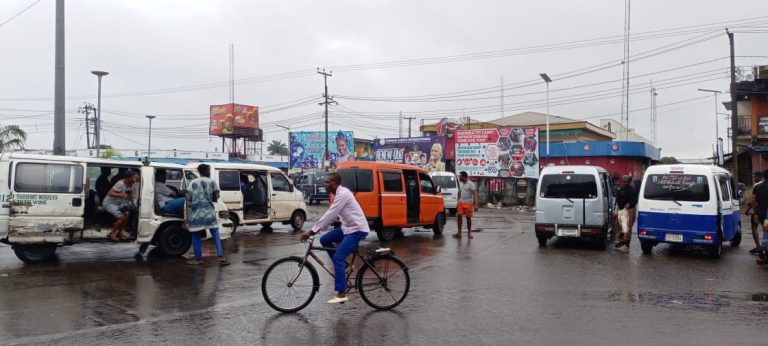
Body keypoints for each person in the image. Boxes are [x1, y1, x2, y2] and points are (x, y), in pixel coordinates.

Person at [300, 172, 369, 304]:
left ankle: (342, 293)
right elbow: (334, 215)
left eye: (327, 182)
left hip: (357, 229)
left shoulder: (342, 194)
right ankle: (346, 266)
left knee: (338, 257)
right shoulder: (337, 193)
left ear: (335, 184)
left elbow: (331, 214)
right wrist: (321, 227)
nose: (325, 185)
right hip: (347, 227)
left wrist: (311, 231)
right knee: (325, 240)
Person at [186, 164, 229, 266]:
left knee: (196, 235)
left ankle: (198, 259)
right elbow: (216, 197)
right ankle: (221, 257)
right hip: (209, 212)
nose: (209, 171)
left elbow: (189, 198)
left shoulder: (192, 183)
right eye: (208, 170)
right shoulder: (212, 182)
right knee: (215, 234)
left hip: (196, 214)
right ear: (206, 171)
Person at [102, 169, 139, 241]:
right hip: (109, 203)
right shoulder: (120, 183)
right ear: (128, 178)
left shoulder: (131, 183)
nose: (135, 179)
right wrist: (122, 195)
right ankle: (112, 233)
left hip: (119, 203)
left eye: (135, 177)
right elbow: (110, 193)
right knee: (122, 217)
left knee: (127, 215)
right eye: (133, 177)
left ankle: (120, 232)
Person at [614, 175, 637, 251]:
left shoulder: (632, 190)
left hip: (629, 210)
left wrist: (629, 204)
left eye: (625, 180)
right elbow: (617, 198)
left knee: (627, 228)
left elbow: (635, 200)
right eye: (623, 180)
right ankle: (623, 240)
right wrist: (617, 207)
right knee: (622, 227)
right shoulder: (621, 189)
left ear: (629, 181)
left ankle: (627, 246)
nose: (624, 182)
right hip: (622, 210)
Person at [453, 171, 477, 239]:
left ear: (464, 176)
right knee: (459, 217)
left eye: (460, 176)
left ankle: (469, 233)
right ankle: (459, 233)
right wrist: (458, 201)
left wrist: (475, 205)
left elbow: (475, 194)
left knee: (468, 218)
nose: (459, 177)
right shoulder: (461, 183)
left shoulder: (471, 184)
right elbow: (459, 192)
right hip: (461, 202)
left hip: (469, 203)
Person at [747, 171, 764, 255]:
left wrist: (749, 210)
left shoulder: (756, 186)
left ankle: (758, 247)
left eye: (755, 176)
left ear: (760, 176)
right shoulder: (763, 184)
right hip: (765, 212)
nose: (754, 178)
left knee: (754, 228)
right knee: (765, 229)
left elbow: (754, 201)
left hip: (757, 211)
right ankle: (763, 247)